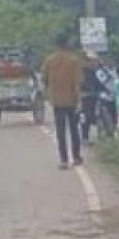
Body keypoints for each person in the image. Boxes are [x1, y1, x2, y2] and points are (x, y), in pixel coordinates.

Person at [41, 32, 84, 169]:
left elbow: (44, 78)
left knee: (60, 130)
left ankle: (63, 160)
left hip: (56, 100)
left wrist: (50, 90)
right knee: (74, 129)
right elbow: (78, 82)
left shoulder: (49, 60)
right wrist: (79, 100)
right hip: (72, 100)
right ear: (67, 43)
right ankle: (76, 157)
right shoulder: (74, 61)